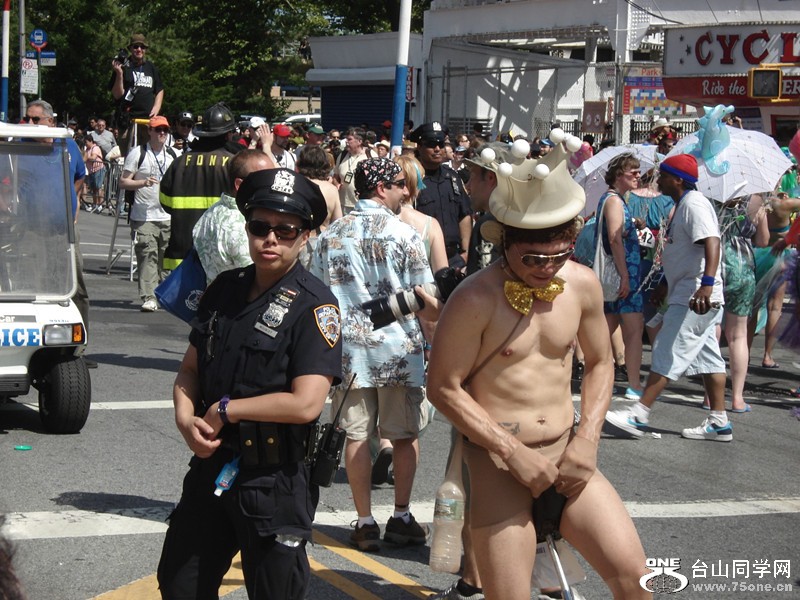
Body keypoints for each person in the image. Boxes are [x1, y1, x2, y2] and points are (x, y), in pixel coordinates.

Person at [426, 133, 650, 599]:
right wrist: (511, 451)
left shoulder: (582, 284)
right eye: (532, 258)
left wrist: (587, 440)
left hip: (567, 454)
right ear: (504, 241)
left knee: (636, 580)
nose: (547, 268)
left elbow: (601, 362)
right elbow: (443, 387)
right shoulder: (474, 298)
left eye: (559, 254)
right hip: (497, 465)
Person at [156, 167, 342, 600]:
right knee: (180, 585)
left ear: (305, 236)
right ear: (247, 229)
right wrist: (185, 418)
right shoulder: (225, 288)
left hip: (274, 480)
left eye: (285, 230)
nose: (270, 239)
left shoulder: (316, 305)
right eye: (260, 227)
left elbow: (306, 404)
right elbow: (190, 370)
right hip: (212, 467)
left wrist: (226, 411)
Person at [309, 157, 440, 552]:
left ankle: (365, 521)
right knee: (404, 436)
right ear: (381, 188)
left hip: (348, 353)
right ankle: (401, 515)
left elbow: (316, 295)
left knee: (354, 436)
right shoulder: (405, 234)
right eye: (400, 183)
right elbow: (425, 298)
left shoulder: (330, 236)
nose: (407, 191)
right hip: (398, 350)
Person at [605, 154, 731, 442]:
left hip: (694, 296)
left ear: (677, 180)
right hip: (688, 292)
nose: (657, 180)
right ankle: (719, 422)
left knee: (667, 349)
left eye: (662, 175)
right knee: (709, 360)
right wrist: (664, 282)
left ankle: (638, 414)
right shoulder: (682, 204)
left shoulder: (694, 204)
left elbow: (712, 242)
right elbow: (682, 251)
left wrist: (706, 285)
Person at [24, 100, 90, 337]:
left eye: (35, 119)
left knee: (76, 286)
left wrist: (72, 201)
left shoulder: (67, 144)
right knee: (36, 286)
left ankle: (78, 345)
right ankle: (40, 340)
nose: (29, 124)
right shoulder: (22, 144)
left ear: (50, 121)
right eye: (27, 119)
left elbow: (80, 175)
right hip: (33, 229)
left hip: (66, 229)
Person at [159, 102, 241, 270]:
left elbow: (165, 201)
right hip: (218, 256)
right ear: (227, 135)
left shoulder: (179, 162)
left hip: (182, 255)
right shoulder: (234, 164)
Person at [595, 153, 645, 400]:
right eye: (632, 172)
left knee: (604, 330)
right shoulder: (614, 201)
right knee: (633, 330)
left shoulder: (611, 199)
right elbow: (615, 239)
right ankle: (634, 383)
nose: (638, 175)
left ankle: (599, 379)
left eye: (638, 171)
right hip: (623, 273)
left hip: (615, 273)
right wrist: (625, 276)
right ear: (618, 175)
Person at [119, 116, 177, 312]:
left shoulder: (174, 154)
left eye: (165, 130)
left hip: (167, 215)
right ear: (149, 131)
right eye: (158, 129)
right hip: (144, 216)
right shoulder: (138, 153)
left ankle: (165, 295)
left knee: (166, 258)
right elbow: (123, 182)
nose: (162, 133)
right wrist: (142, 182)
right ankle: (149, 296)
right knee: (147, 255)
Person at [411, 122, 472, 267]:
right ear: (419, 147)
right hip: (423, 260)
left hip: (454, 259)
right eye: (431, 144)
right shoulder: (412, 179)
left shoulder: (452, 178)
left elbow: (464, 214)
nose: (437, 149)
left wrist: (465, 252)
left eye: (440, 144)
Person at [110, 34, 164, 154]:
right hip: (128, 121)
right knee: (129, 157)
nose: (139, 49)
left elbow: (159, 89)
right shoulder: (124, 66)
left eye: (142, 47)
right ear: (130, 48)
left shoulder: (151, 67)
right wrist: (119, 74)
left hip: (147, 122)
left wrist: (156, 107)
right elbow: (117, 95)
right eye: (135, 46)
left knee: (148, 156)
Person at [334, 127, 372, 214]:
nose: (346, 141)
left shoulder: (370, 156)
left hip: (362, 206)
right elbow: (335, 176)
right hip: (343, 205)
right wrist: (336, 184)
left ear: (360, 141)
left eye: (349, 139)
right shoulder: (342, 155)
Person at [82, 135, 105, 214]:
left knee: (98, 187)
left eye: (86, 142)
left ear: (91, 141)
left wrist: (86, 157)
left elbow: (93, 157)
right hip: (91, 171)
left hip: (98, 169)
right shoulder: (87, 149)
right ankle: (95, 204)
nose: (85, 144)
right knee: (93, 188)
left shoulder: (95, 148)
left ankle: (100, 204)